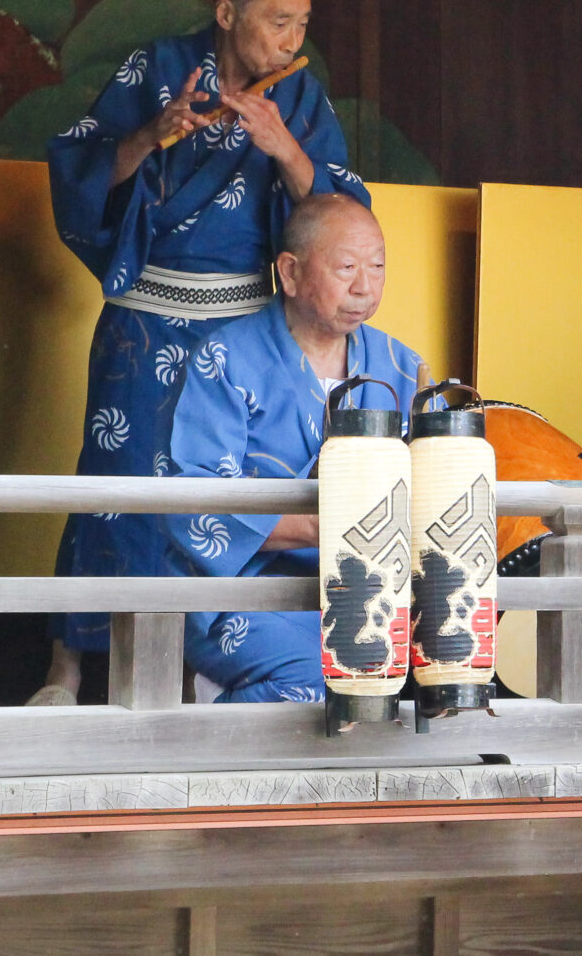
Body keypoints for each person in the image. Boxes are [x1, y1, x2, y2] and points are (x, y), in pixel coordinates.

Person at [39, 0, 368, 702]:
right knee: (115, 487)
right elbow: (77, 169)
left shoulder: (302, 97)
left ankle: (190, 671)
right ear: (226, 14)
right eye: (278, 20)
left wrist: (284, 147)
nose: (292, 39)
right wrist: (154, 133)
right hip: (146, 319)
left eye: (302, 24)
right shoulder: (155, 68)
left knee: (217, 494)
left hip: (239, 335)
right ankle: (66, 666)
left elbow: (344, 211)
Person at [107, 194, 425, 702]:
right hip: (241, 589)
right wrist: (328, 527)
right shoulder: (225, 358)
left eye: (377, 266)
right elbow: (195, 501)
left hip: (364, 592)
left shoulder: (402, 367)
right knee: (311, 681)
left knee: (446, 659)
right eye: (346, 267)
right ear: (291, 273)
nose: (365, 286)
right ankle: (201, 776)